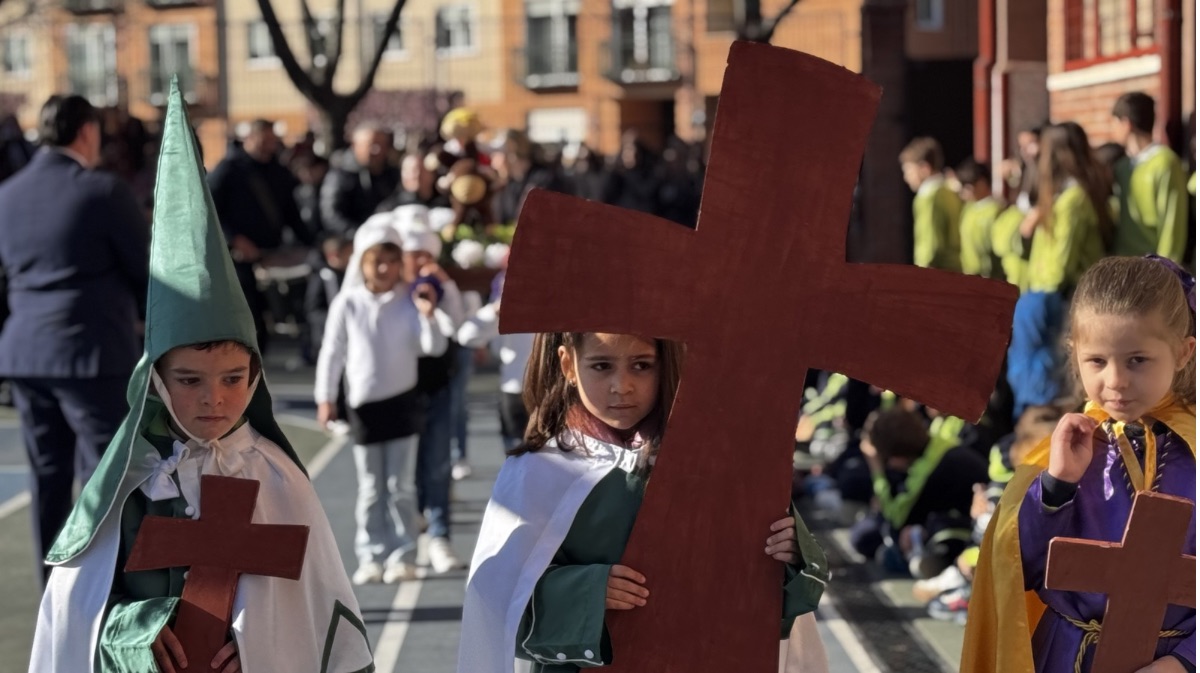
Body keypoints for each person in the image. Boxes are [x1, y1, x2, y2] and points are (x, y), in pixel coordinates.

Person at [28, 84, 373, 673]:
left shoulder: (275, 474)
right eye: (188, 380)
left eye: (235, 378)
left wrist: (263, 648)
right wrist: (132, 636)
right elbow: (79, 612)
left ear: (257, 376)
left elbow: (312, 605)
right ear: (156, 382)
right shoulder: (129, 487)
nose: (215, 397)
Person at [458, 331, 831, 673]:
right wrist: (587, 591)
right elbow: (495, 606)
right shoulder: (539, 472)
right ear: (568, 364)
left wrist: (793, 556)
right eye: (601, 366)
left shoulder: (716, 463)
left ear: (665, 364)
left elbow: (774, 604)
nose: (622, 386)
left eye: (641, 365)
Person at [963, 255, 1196, 673]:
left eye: (1137, 360)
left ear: (1183, 352)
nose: (1116, 381)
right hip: (1068, 658)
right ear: (1075, 354)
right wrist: (1057, 487)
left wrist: (1184, 661)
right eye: (1097, 361)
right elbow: (1021, 572)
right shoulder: (1070, 451)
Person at [0, 95, 149, 584]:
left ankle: (55, 588)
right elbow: (146, 271)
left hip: (26, 351)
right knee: (105, 476)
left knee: (48, 477)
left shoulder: (8, 194)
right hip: (92, 352)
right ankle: (103, 585)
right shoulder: (101, 191)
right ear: (86, 132)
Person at [314, 220, 449, 584]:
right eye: (377, 262)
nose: (386, 269)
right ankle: (371, 554)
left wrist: (428, 314)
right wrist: (326, 398)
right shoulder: (349, 303)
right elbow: (333, 352)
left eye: (392, 260)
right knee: (371, 487)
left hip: (403, 406)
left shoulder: (409, 300)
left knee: (400, 486)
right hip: (364, 409)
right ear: (362, 264)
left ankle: (403, 555)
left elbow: (433, 347)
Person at [1008, 122, 1110, 420]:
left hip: (1050, 297)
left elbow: (1059, 264)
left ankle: (1033, 439)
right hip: (1052, 296)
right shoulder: (1071, 196)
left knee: (1041, 386)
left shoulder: (1072, 200)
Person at [397, 217, 467, 574]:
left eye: (425, 254)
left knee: (438, 462)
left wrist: (444, 288)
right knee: (403, 469)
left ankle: (440, 534)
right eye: (413, 254)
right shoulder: (392, 290)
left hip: (438, 386)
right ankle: (408, 533)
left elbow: (457, 328)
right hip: (402, 390)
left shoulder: (440, 287)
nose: (419, 261)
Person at [208, 119, 314, 355]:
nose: (269, 147)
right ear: (249, 139)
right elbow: (208, 209)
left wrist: (311, 243)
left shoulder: (278, 171)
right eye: (263, 141)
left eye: (272, 142)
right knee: (248, 316)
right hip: (238, 258)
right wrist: (234, 239)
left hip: (271, 254)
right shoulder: (228, 169)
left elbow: (291, 214)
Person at [1111, 92, 1189, 263]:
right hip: (1124, 266)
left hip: (1153, 269)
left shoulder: (1165, 162)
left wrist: (1167, 269)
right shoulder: (1122, 166)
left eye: (1114, 122)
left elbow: (1172, 223)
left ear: (1126, 124)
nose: (1112, 129)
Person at [321, 123, 399, 235]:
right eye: (370, 145)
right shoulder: (341, 176)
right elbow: (331, 216)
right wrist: (361, 235)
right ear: (355, 146)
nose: (375, 150)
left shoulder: (392, 175)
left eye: (381, 145)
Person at [900, 137, 963, 271]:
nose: (906, 177)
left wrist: (922, 271)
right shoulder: (949, 191)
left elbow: (929, 242)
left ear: (924, 168)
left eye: (909, 170)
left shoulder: (928, 197)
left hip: (937, 273)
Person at [956, 158, 1003, 278]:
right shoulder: (968, 209)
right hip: (969, 274)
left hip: (990, 276)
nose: (965, 191)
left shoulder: (996, 210)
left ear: (982, 182)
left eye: (969, 186)